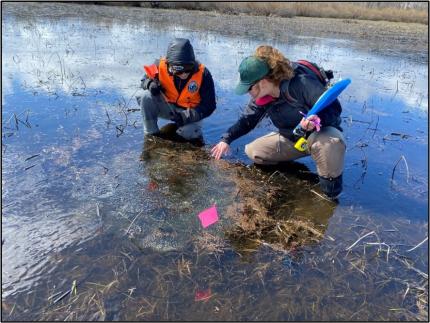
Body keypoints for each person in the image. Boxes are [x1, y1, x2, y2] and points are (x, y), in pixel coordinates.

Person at [211, 45, 346, 199]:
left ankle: (331, 193)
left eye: (249, 89)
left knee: (330, 144)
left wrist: (316, 120)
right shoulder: (261, 97)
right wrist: (226, 139)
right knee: (255, 152)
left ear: (262, 82)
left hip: (320, 134)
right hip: (295, 137)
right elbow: (247, 120)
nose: (249, 94)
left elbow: (334, 109)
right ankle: (296, 176)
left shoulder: (300, 83)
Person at [137, 38, 216, 142]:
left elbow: (209, 106)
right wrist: (149, 84)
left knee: (189, 134)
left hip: (190, 113)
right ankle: (151, 134)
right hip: (168, 107)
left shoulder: (203, 74)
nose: (183, 74)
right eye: (178, 70)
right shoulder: (159, 65)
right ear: (169, 65)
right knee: (145, 96)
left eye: (187, 68)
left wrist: (185, 116)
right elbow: (143, 80)